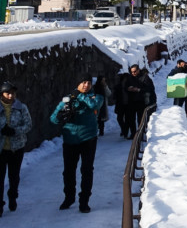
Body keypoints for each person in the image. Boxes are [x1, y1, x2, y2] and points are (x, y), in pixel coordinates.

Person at [50, 73, 104, 213]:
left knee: (86, 170)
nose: (86, 85)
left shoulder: (96, 96)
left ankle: (84, 200)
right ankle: (69, 197)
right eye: (83, 82)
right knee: (68, 171)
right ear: (77, 84)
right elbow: (53, 119)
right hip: (70, 140)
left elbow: (94, 105)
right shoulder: (68, 99)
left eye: (88, 83)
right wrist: (62, 111)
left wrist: (79, 97)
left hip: (88, 139)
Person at [0, 81, 33, 219]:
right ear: (2, 95)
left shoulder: (21, 108)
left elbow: (28, 125)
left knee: (14, 175)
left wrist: (15, 131)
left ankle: (12, 196)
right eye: (8, 93)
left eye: (13, 93)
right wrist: (1, 132)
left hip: (16, 148)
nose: (11, 95)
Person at [115, 63, 151, 138]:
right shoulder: (130, 78)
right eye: (132, 72)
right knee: (131, 119)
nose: (133, 73)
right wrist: (128, 89)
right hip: (131, 101)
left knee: (140, 119)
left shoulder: (145, 77)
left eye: (135, 71)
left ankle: (141, 134)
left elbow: (149, 89)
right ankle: (133, 133)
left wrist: (138, 90)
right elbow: (125, 87)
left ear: (138, 70)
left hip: (141, 101)